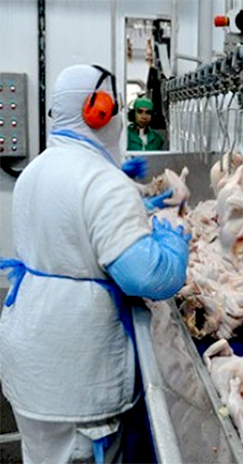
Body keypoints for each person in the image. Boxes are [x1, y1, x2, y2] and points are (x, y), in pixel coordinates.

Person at [0, 64, 190, 463]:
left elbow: (72, 229)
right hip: (77, 373)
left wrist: (132, 205)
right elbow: (147, 277)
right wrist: (172, 247)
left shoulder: (36, 170)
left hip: (31, 355)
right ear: (99, 111)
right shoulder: (102, 181)